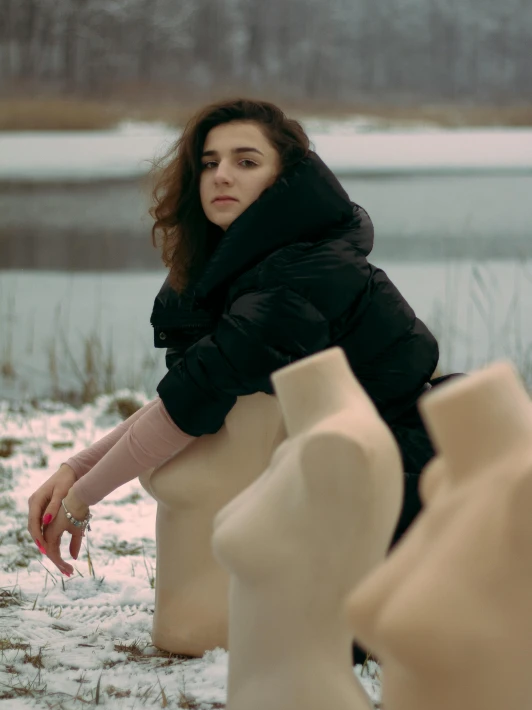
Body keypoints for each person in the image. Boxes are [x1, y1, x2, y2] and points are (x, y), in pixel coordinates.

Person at [27, 98, 439, 581]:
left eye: (246, 161)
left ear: (284, 180)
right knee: (178, 468)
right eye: (209, 163)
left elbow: (193, 400)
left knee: (184, 466)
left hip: (386, 475)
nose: (222, 175)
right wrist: (75, 471)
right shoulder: (245, 263)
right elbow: (189, 389)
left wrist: (81, 495)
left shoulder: (300, 272)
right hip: (318, 464)